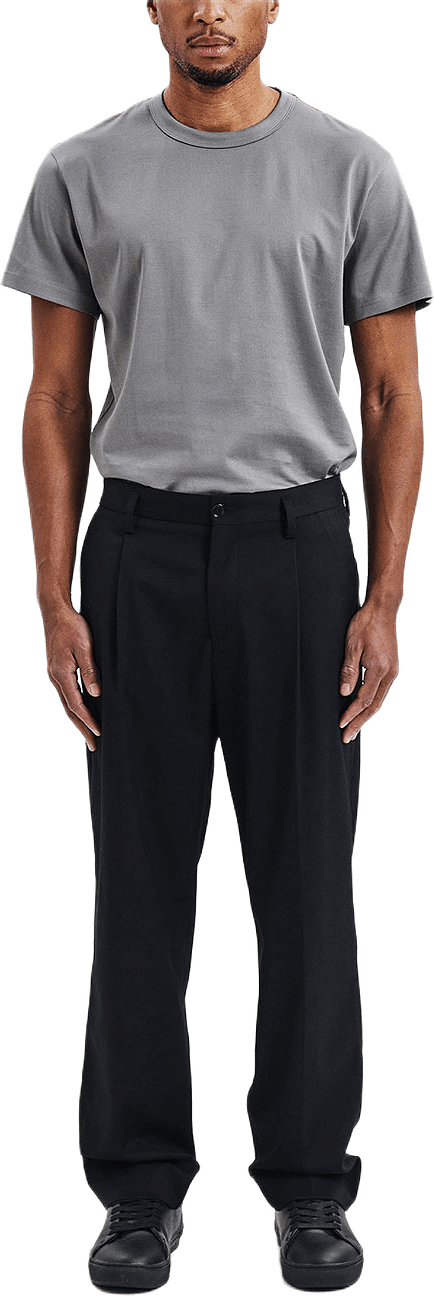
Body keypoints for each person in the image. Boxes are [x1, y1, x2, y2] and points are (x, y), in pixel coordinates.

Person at [1, 0, 432, 1292]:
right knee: (138, 886)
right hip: (138, 553)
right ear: (148, 5)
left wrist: (384, 596)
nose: (206, 10)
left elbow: (394, 393)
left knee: (308, 885)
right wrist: (55, 596)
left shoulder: (353, 166)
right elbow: (55, 395)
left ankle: (310, 1189)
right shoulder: (81, 169)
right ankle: (137, 1192)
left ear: (272, 3)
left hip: (299, 554)